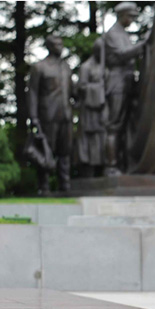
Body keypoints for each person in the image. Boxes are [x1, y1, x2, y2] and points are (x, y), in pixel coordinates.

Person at [103, 1, 148, 176]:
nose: (132, 20)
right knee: (114, 126)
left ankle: (124, 163)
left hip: (127, 80)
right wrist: (143, 44)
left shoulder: (123, 34)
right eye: (130, 16)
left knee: (125, 126)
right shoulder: (113, 34)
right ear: (122, 15)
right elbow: (122, 55)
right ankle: (110, 166)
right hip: (117, 82)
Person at [27, 34, 73, 194]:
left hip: (66, 115)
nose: (60, 47)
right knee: (47, 151)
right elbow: (32, 93)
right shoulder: (39, 67)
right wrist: (33, 117)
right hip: (47, 116)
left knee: (65, 152)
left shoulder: (66, 67)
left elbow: (72, 92)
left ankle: (65, 186)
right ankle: (44, 187)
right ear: (49, 47)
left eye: (61, 44)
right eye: (57, 44)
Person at [77, 38, 107, 177]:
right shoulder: (86, 67)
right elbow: (82, 87)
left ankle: (101, 167)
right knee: (89, 138)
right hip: (89, 108)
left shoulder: (104, 66)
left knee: (102, 136)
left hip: (102, 109)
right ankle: (87, 168)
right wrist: (98, 89)